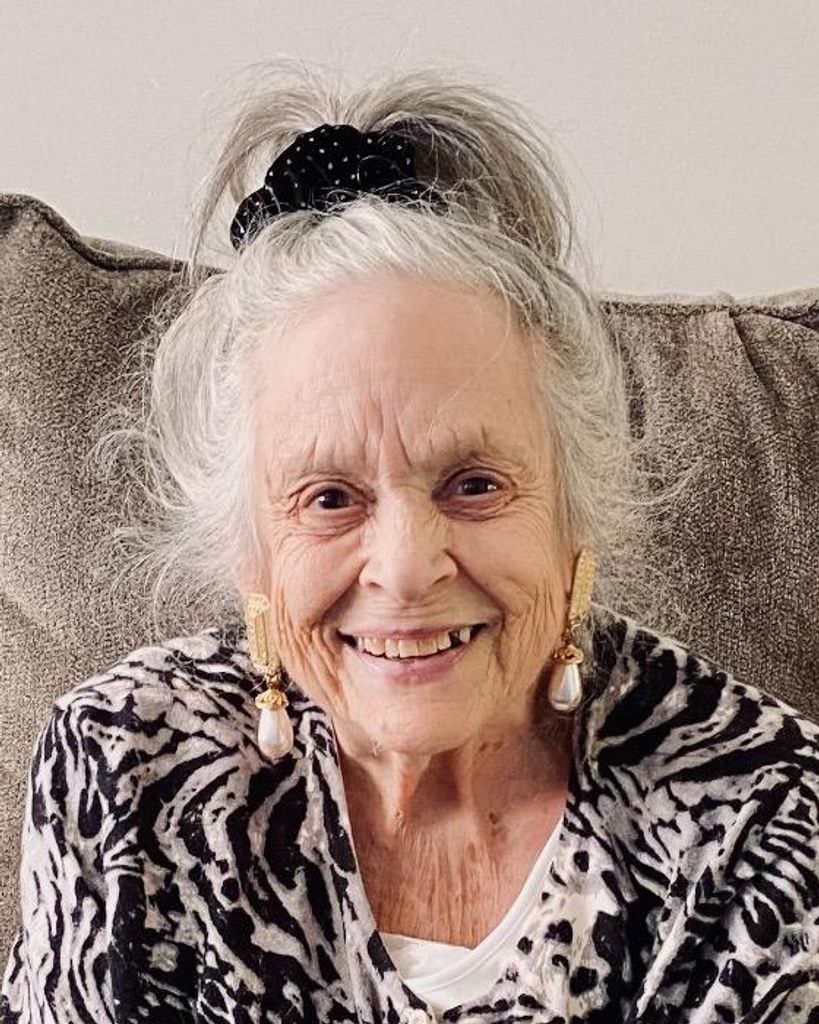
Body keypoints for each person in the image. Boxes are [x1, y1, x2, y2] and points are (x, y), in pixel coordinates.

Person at [1, 60, 817, 1024]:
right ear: (249, 555)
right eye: (329, 498)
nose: (404, 567)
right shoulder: (123, 768)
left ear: (575, 512)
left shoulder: (763, 816)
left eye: (475, 485)